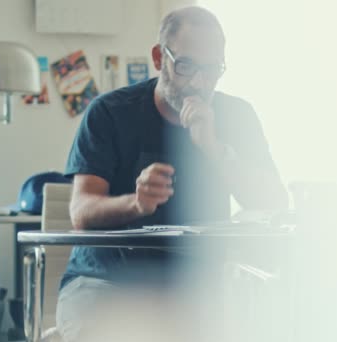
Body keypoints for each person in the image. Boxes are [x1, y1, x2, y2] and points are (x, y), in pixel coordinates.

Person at [56, 6, 288, 341]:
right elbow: (81, 212)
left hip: (194, 288)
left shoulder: (237, 116)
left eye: (211, 70)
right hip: (106, 281)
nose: (199, 82)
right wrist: (135, 204)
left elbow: (273, 201)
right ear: (157, 58)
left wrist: (214, 148)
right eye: (186, 66)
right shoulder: (109, 113)